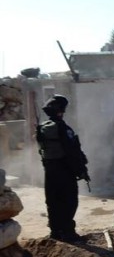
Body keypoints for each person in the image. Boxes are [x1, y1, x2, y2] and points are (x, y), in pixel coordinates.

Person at [36, 94, 90, 243]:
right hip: (65, 170)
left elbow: (42, 150)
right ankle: (68, 233)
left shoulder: (42, 128)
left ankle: (55, 231)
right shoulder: (63, 128)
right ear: (61, 111)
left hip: (50, 169)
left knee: (53, 201)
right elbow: (72, 151)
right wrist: (81, 170)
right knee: (69, 201)